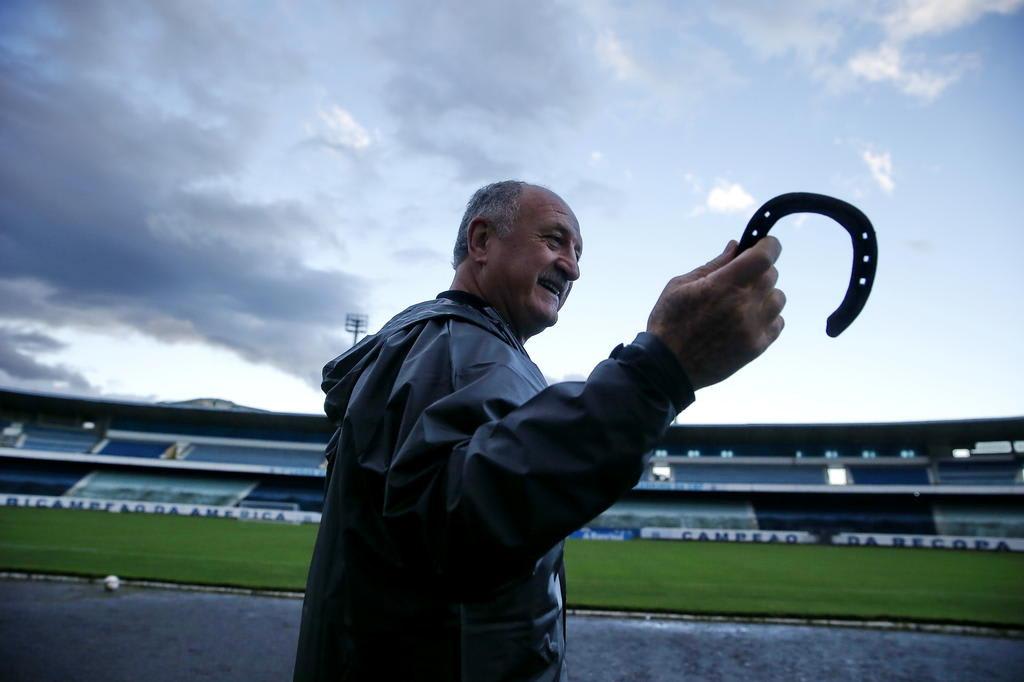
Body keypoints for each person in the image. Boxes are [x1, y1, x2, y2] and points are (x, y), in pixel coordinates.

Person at [293, 181, 785, 681]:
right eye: (554, 241)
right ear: (481, 242)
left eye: (577, 253)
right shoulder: (453, 348)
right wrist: (658, 371)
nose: (572, 267)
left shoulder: (465, 347)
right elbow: (454, 520)